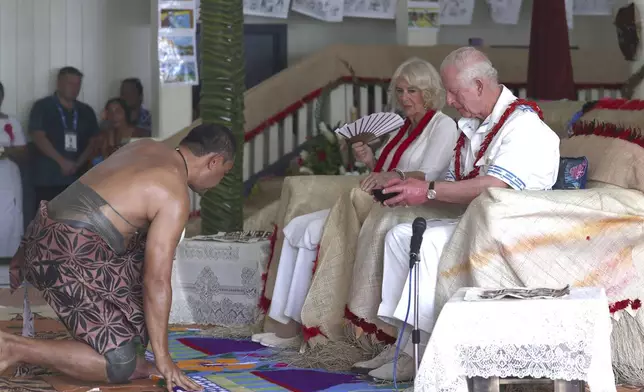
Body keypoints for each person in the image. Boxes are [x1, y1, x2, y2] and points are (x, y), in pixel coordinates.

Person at [352, 47, 560, 381]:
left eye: (453, 91)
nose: (448, 101)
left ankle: (424, 352)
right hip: (475, 221)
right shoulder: (473, 126)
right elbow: (452, 182)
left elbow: (496, 186)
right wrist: (409, 191)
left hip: (510, 229)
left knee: (428, 243)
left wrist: (427, 191)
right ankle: (407, 342)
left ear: (478, 86)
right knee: (398, 234)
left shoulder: (524, 126)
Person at [4, 123, 236, 392]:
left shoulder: (144, 146)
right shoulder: (174, 194)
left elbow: (77, 194)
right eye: (224, 173)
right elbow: (156, 281)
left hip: (41, 235)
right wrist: (164, 358)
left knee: (141, 248)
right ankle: (13, 347)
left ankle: (114, 338)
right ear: (214, 161)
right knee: (120, 363)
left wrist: (24, 250)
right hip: (68, 255)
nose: (219, 182)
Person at [252, 58, 460, 348]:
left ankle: (310, 327)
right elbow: (382, 173)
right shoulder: (401, 129)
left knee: (313, 233)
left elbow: (431, 174)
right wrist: (369, 161)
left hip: (404, 207)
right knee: (297, 227)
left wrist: (389, 173)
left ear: (428, 92)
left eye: (412, 90)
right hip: (376, 200)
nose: (404, 98)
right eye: (400, 91)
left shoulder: (443, 126)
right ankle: (285, 323)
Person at [29, 66, 100, 208]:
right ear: (59, 83)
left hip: (78, 178)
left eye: (78, 84)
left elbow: (93, 141)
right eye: (70, 83)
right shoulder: (42, 106)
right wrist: (62, 162)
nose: (75, 88)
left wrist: (77, 164)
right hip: (48, 178)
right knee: (47, 221)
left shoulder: (86, 110)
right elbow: (38, 137)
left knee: (74, 222)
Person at [0, 81, 28, 257]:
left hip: (7, 176)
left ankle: (6, 264)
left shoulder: (11, 122)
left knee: (8, 217)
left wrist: (3, 150)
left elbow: (23, 153)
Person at [93, 98, 150, 165]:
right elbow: (106, 162)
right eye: (110, 112)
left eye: (118, 111)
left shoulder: (139, 134)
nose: (114, 116)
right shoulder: (106, 135)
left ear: (126, 113)